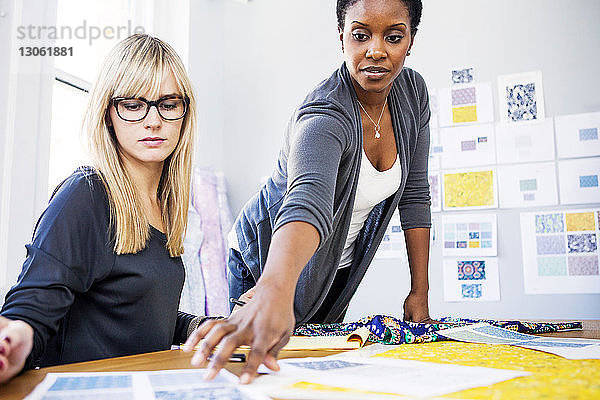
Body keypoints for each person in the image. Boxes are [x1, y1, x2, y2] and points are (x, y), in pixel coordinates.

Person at [185, 0, 433, 383]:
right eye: (361, 34)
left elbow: (415, 195)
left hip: (337, 264)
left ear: (411, 40)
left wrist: (420, 291)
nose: (376, 50)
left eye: (394, 36)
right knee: (266, 369)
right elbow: (307, 202)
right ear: (342, 37)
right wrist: (273, 288)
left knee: (315, 374)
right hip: (269, 261)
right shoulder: (323, 114)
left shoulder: (413, 95)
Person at [0, 34, 205, 383]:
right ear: (108, 113)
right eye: (133, 104)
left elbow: (135, 311)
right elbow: (32, 308)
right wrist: (15, 337)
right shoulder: (87, 194)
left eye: (168, 104)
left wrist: (199, 326)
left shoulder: (165, 203)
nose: (153, 121)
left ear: (184, 113)